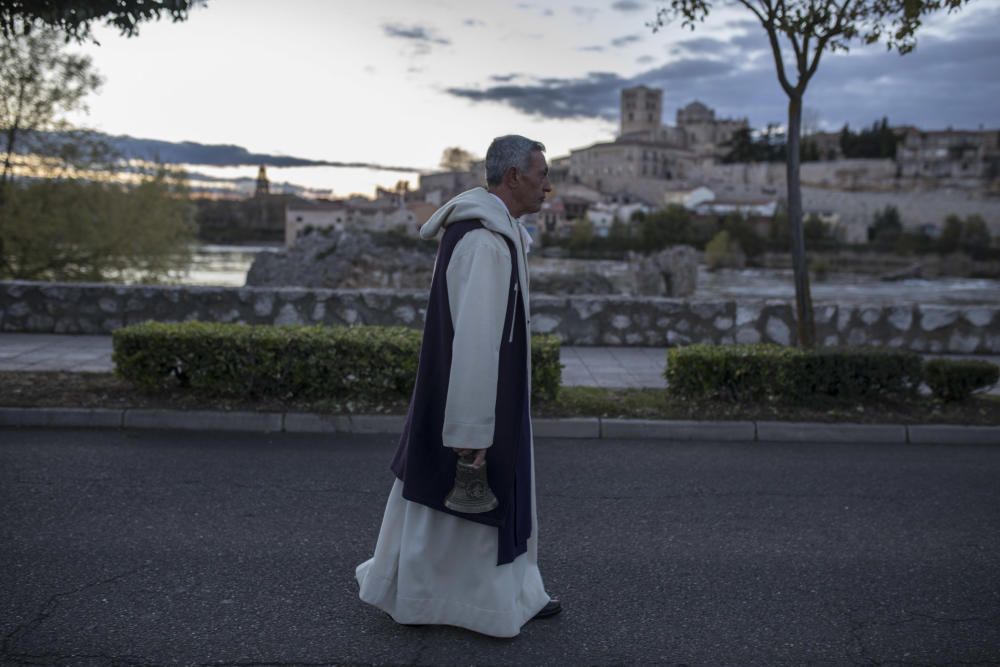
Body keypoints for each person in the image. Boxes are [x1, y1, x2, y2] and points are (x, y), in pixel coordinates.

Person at [355, 134, 559, 638]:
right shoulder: (484, 241)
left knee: (446, 506)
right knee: (460, 500)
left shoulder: (493, 232)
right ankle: (467, 602)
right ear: (513, 178)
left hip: (488, 397)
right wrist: (471, 431)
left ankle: (494, 594)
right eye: (541, 176)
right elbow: (474, 340)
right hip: (474, 401)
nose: (548, 188)